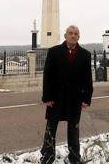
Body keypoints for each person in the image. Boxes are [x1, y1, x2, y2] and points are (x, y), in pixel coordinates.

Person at [40, 25, 93, 164]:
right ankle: (47, 156)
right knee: (51, 128)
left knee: (74, 130)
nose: (73, 36)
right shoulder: (54, 52)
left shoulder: (85, 55)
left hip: (75, 99)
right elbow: (48, 76)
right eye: (70, 33)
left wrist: (86, 98)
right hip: (56, 98)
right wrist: (47, 97)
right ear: (65, 36)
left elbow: (87, 78)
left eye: (76, 33)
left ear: (79, 37)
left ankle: (74, 157)